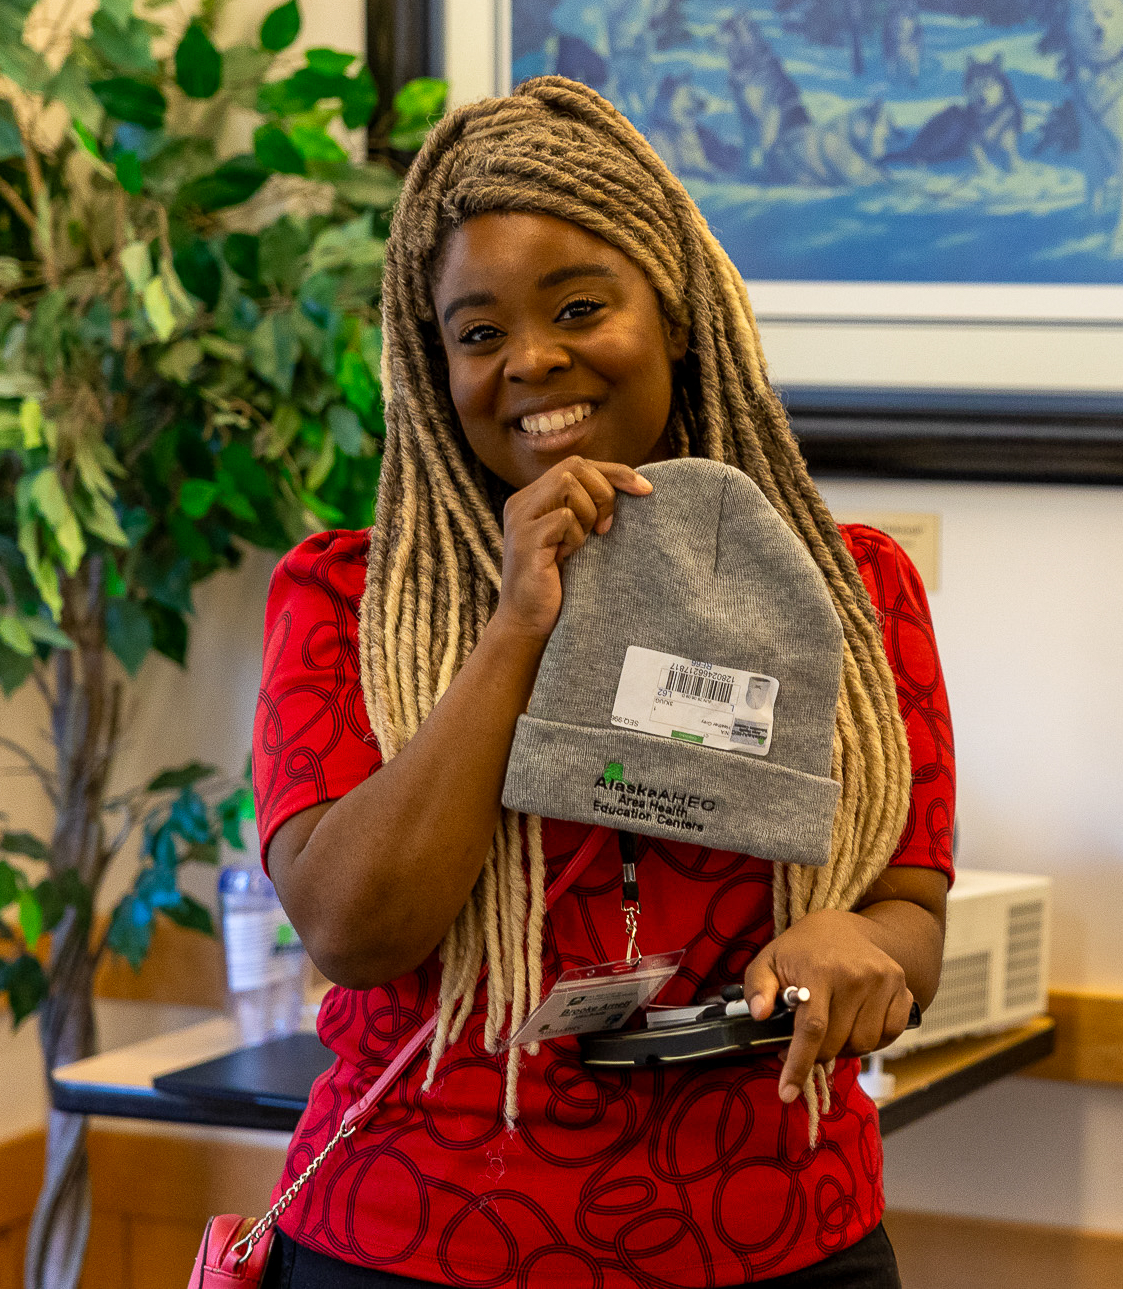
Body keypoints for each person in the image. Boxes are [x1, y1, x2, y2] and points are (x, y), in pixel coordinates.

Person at [251, 77, 955, 1288]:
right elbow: (355, 931)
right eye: (477, 333)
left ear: (675, 317)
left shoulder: (856, 591)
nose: (530, 360)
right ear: (436, 367)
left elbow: (912, 918)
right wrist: (518, 621)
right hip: (420, 1244)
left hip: (784, 1238)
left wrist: (855, 939)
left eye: (580, 305)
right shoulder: (349, 602)